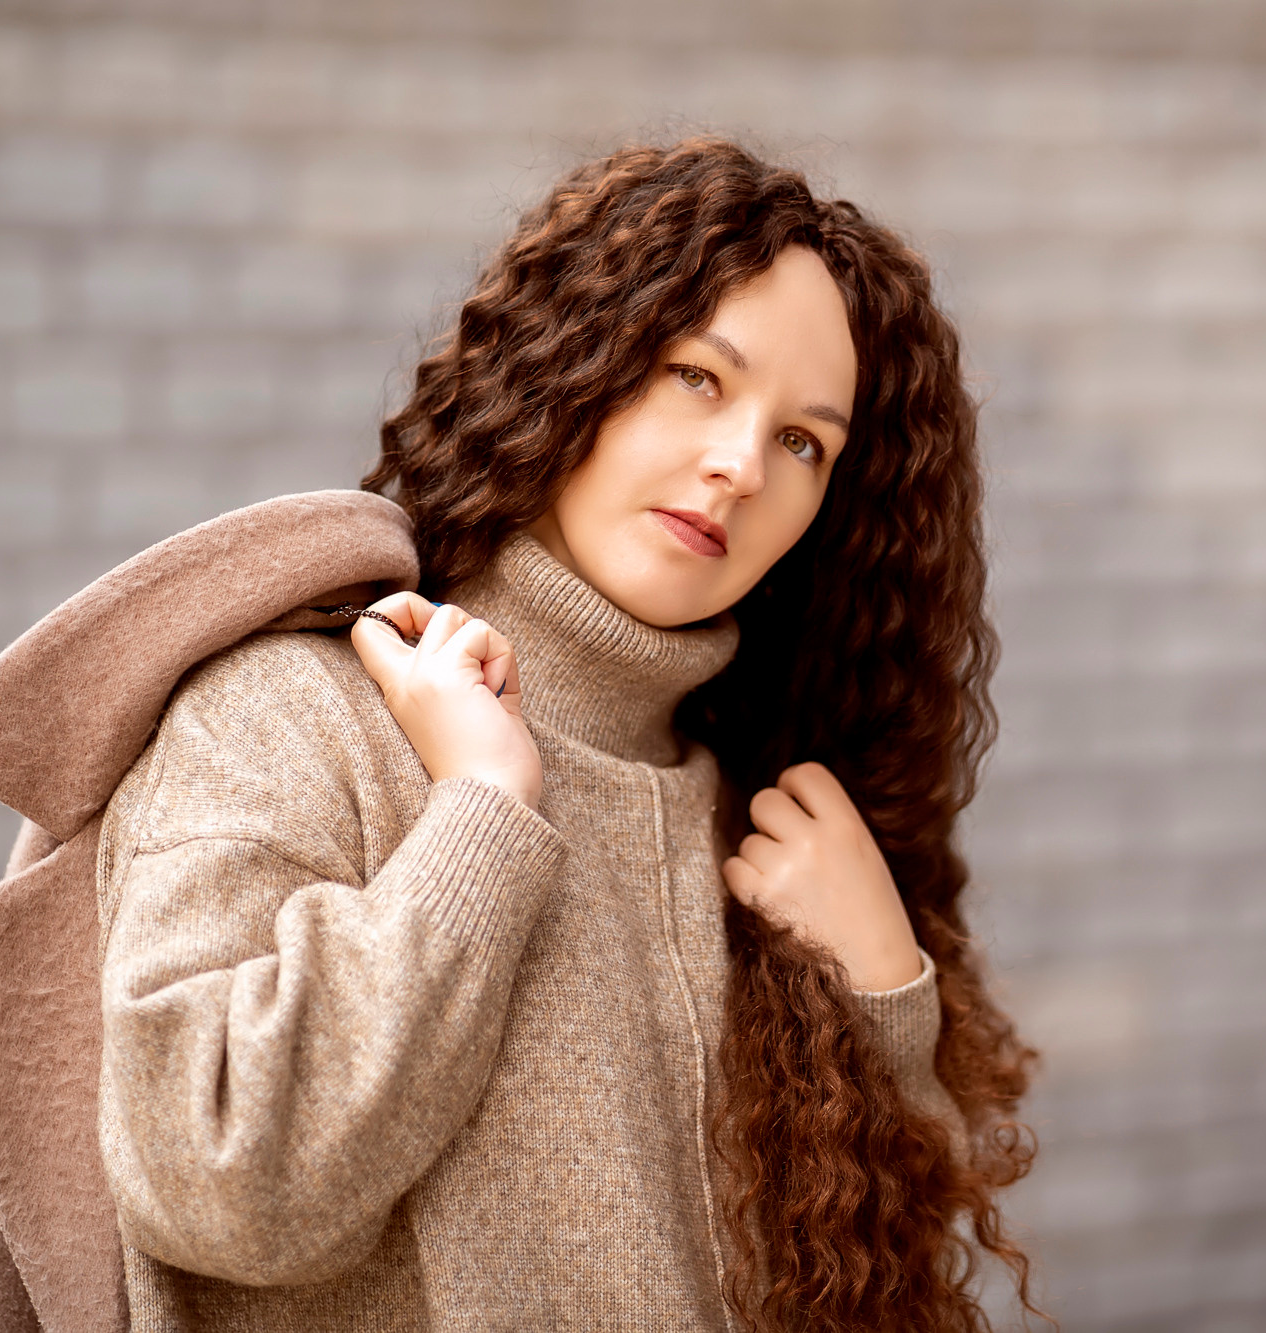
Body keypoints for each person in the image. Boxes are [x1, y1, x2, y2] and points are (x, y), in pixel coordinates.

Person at [93, 137, 1039, 1332]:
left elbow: (880, 1276)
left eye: (804, 442)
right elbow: (217, 1187)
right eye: (697, 376)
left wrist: (881, 991)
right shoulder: (290, 715)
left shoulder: (762, 820)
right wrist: (480, 821)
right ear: (576, 364)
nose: (739, 464)